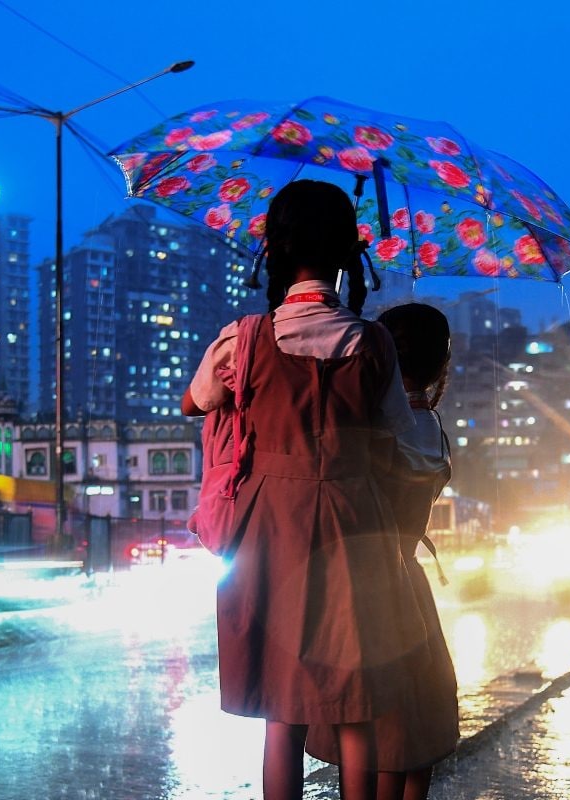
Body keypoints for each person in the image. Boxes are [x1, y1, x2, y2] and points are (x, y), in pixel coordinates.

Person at [182, 179, 427, 800]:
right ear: (349, 252)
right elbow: (403, 439)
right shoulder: (374, 345)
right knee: (355, 702)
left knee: (282, 708)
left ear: (277, 250)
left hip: (268, 528)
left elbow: (196, 401)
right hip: (355, 525)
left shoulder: (244, 338)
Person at [306, 302, 460, 800]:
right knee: (417, 734)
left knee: (382, 735)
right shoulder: (433, 431)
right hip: (410, 586)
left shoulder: (370, 430)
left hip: (366, 588)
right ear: (440, 366)